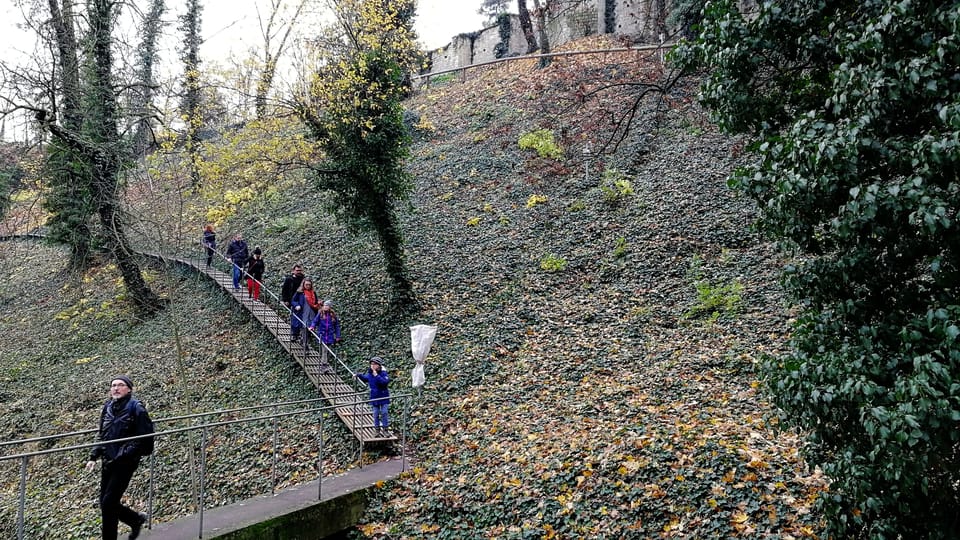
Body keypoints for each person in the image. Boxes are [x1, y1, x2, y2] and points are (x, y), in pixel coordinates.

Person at [85, 376, 152, 540]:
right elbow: (103, 434)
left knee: (108, 502)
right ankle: (135, 520)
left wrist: (124, 454)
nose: (116, 388)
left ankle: (135, 520)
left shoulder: (137, 408)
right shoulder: (108, 407)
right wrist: (94, 456)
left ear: (129, 389)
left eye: (120, 385)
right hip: (108, 461)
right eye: (113, 385)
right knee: (106, 504)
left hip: (125, 462)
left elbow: (145, 438)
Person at [356, 357, 390, 437]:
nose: (373, 366)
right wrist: (358, 375)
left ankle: (385, 430)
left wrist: (376, 375)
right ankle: (377, 430)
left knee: (384, 413)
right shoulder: (370, 374)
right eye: (372, 364)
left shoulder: (383, 373)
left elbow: (384, 382)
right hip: (374, 397)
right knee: (375, 414)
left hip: (383, 396)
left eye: (375, 364)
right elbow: (365, 378)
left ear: (379, 365)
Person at [309, 299, 341, 364]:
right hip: (322, 335)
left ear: (330, 307)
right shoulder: (320, 314)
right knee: (324, 350)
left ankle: (323, 363)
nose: (325, 307)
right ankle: (324, 365)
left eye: (327, 305)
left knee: (328, 351)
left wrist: (338, 336)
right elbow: (315, 321)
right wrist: (312, 326)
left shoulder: (333, 315)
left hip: (330, 336)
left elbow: (336, 326)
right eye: (324, 305)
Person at [290, 278, 319, 343]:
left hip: (311, 312)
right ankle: (297, 336)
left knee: (309, 326)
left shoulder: (313, 293)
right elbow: (293, 300)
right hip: (302, 312)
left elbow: (316, 302)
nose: (308, 286)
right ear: (303, 285)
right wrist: (296, 305)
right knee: (300, 324)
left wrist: (318, 305)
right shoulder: (299, 292)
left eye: (309, 285)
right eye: (306, 285)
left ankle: (304, 341)